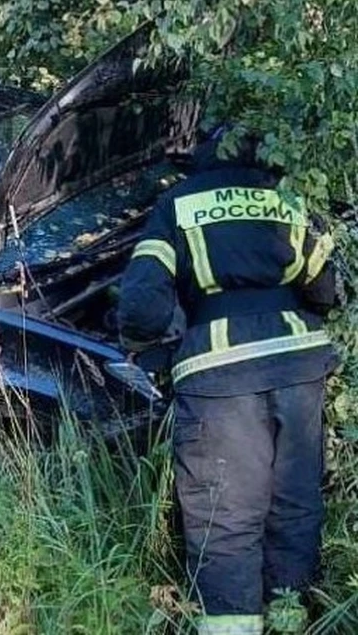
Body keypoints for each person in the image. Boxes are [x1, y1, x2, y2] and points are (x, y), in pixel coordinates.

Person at [117, 127, 339, 635]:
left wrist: (153, 349)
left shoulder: (178, 204)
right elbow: (326, 289)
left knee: (225, 514)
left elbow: (142, 305)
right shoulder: (290, 199)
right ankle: (291, 620)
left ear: (200, 159)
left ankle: (233, 628)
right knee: (294, 503)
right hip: (298, 364)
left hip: (218, 373)